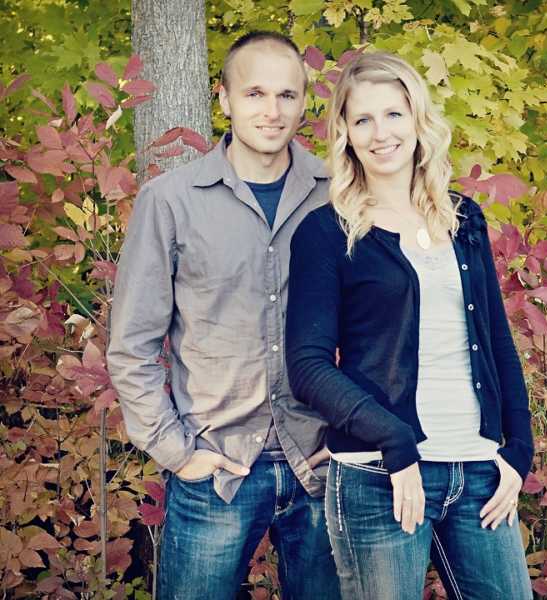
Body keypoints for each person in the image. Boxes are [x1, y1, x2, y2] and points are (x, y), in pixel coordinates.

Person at [285, 52, 533, 600]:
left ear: (418, 121)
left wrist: (520, 450)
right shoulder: (326, 233)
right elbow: (307, 367)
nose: (381, 134)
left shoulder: (463, 220)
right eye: (363, 120)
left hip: (478, 469)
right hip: (380, 476)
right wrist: (395, 440)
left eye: (394, 115)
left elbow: (496, 341)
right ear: (345, 134)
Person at [107, 31, 340, 599]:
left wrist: (356, 433)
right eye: (255, 93)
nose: (272, 110)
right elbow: (132, 344)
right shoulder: (170, 200)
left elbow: (378, 325)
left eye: (287, 95)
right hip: (215, 468)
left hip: (321, 463)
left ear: (304, 102)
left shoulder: (337, 193)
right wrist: (174, 451)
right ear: (224, 99)